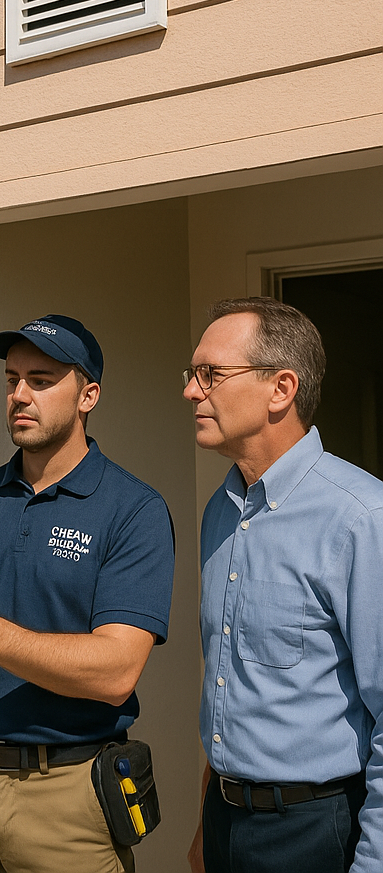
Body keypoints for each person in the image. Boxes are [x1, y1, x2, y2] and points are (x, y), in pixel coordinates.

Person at [0, 315, 175, 873]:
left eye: (40, 380)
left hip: (69, 796)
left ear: (88, 394)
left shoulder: (133, 510)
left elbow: (116, 674)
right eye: (12, 380)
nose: (20, 394)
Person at [184, 297, 383, 873]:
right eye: (192, 375)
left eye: (211, 375)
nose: (192, 392)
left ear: (281, 389)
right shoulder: (220, 513)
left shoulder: (360, 518)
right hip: (225, 823)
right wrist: (205, 828)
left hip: (315, 832)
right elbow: (229, 686)